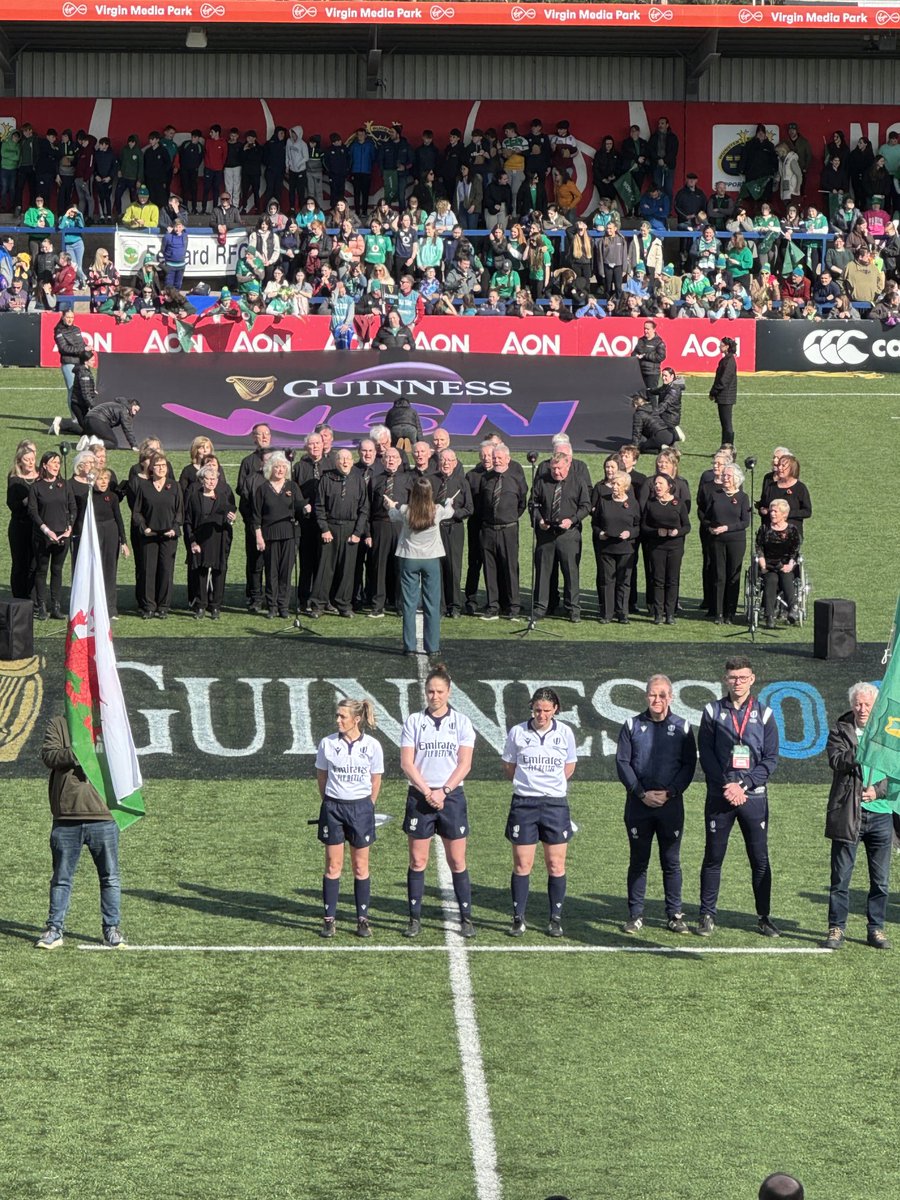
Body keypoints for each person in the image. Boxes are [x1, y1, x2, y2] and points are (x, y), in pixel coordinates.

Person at [697, 656, 780, 938]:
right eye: (733, 677)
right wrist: (727, 785)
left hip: (753, 796)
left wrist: (742, 785)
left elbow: (770, 760)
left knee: (759, 858)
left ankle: (764, 917)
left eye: (743, 677)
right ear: (725, 679)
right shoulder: (711, 711)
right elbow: (705, 755)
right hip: (721, 795)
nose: (738, 682)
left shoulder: (765, 714)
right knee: (713, 857)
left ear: (752, 679)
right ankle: (707, 914)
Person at [35, 715, 126, 950]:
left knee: (110, 877)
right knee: (61, 878)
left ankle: (111, 929)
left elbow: (123, 757)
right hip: (66, 817)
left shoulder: (109, 719)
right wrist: (78, 752)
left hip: (104, 816)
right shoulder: (59, 723)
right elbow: (49, 756)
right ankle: (54, 929)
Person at [615, 675, 697, 935]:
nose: (657, 699)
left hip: (670, 806)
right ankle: (636, 915)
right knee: (638, 861)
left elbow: (689, 766)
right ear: (645, 696)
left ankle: (674, 915)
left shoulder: (683, 727)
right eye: (652, 694)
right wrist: (641, 793)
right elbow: (622, 763)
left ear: (671, 697)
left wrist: (670, 792)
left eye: (662, 695)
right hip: (638, 805)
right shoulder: (631, 725)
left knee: (671, 861)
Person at [400, 663, 476, 939]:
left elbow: (465, 763)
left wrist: (443, 791)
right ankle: (414, 918)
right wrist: (427, 791)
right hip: (420, 796)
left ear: (449, 691)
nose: (435, 696)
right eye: (430, 691)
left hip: (451, 796)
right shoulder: (413, 721)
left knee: (457, 860)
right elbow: (407, 763)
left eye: (439, 691)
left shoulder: (462, 723)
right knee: (418, 860)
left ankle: (466, 917)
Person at [822, 682, 895, 951]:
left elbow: (896, 773)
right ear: (851, 704)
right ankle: (836, 927)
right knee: (841, 878)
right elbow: (837, 761)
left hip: (881, 816)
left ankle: (876, 929)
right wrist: (861, 751)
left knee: (881, 880)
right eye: (858, 704)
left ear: (875, 706)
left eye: (867, 705)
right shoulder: (840, 730)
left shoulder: (889, 732)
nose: (862, 709)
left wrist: (878, 791)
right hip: (849, 814)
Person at [501, 687, 578, 938]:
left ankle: (555, 918)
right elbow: (509, 766)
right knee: (523, 863)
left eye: (546, 710)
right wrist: (530, 786)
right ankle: (518, 918)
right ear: (531, 708)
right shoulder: (517, 732)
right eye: (537, 710)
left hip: (555, 804)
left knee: (555, 864)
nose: (541, 715)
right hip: (524, 804)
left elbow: (569, 765)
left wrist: (551, 785)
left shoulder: (565, 733)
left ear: (555, 709)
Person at [315, 697, 384, 940]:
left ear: (356, 720)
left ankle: (362, 919)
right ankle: (329, 919)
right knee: (333, 865)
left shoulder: (373, 746)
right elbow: (321, 776)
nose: (337, 720)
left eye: (342, 716)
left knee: (360, 865)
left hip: (360, 809)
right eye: (337, 715)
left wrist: (368, 805)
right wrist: (329, 801)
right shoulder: (327, 744)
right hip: (333, 808)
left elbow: (376, 780)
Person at [385, 476, 457, 656]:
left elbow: (392, 515)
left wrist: (390, 505)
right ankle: (432, 647)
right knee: (432, 604)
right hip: (431, 560)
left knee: (409, 605)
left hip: (409, 559)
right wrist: (449, 503)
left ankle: (409, 647)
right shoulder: (437, 510)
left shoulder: (405, 510)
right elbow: (450, 512)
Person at [528, 451, 590, 624]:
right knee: (543, 572)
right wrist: (539, 520)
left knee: (570, 572)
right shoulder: (541, 481)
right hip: (546, 534)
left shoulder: (578, 481)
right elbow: (532, 504)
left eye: (559, 468)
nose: (556, 472)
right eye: (553, 469)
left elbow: (585, 506)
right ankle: (541, 607)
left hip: (568, 535)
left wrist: (572, 520)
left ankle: (573, 609)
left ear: (568, 465)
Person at [310, 448, 368, 619]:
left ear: (352, 461)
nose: (345, 462)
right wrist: (324, 529)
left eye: (348, 459)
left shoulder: (358, 481)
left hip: (351, 530)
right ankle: (318, 604)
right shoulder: (326, 479)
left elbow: (364, 509)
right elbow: (319, 507)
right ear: (336, 462)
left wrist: (358, 532)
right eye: (341, 459)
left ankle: (344, 604)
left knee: (348, 570)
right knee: (324, 568)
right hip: (331, 528)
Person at [477, 443, 527, 621]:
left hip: (508, 530)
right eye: (494, 458)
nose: (496, 460)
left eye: (500, 458)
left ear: (508, 458)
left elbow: (522, 503)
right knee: (490, 569)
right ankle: (493, 606)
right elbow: (482, 503)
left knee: (510, 568)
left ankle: (514, 607)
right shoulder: (486, 478)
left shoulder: (516, 478)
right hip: (488, 529)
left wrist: (509, 518)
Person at [132, 452, 183, 619]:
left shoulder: (174, 486)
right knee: (148, 570)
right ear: (151, 468)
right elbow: (137, 512)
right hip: (149, 535)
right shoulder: (144, 486)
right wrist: (144, 527)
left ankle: (163, 607)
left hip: (169, 536)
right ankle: (149, 607)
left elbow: (180, 512)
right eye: (158, 465)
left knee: (166, 570)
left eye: (164, 465)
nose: (161, 468)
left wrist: (175, 528)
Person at [251, 451, 300, 620]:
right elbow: (256, 516)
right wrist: (259, 536)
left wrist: (306, 508)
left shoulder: (292, 487)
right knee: (271, 572)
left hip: (289, 534)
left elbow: (300, 506)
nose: (280, 470)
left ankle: (283, 606)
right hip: (270, 535)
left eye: (283, 467)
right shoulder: (262, 489)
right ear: (270, 468)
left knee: (286, 572)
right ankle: (271, 606)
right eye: (277, 467)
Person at [28, 450, 75, 621]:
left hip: (63, 535)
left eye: (58, 463)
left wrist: (69, 527)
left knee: (57, 570)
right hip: (43, 537)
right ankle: (41, 606)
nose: (56, 466)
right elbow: (33, 511)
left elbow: (72, 507)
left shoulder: (64, 485)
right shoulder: (36, 487)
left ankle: (56, 606)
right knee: (41, 571)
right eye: (53, 463)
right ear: (45, 465)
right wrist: (46, 530)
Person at [185, 462, 236, 620]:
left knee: (218, 573)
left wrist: (232, 519)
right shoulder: (194, 498)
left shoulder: (223, 497)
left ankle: (215, 607)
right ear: (202, 480)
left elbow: (229, 517)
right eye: (208, 479)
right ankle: (200, 605)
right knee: (200, 573)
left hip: (218, 540)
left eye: (214, 478)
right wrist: (192, 542)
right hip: (200, 540)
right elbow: (188, 522)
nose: (212, 481)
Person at [702, 463, 750, 625]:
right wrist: (711, 527)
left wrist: (727, 528)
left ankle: (730, 612)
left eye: (728, 476)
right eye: (724, 476)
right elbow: (706, 516)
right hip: (717, 540)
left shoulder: (743, 497)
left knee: (732, 576)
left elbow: (745, 522)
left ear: (736, 479)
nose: (725, 478)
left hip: (736, 540)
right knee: (719, 575)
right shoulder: (715, 495)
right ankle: (718, 612)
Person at [641, 473, 690, 626]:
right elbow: (644, 526)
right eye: (655, 484)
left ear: (669, 486)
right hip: (657, 547)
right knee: (658, 580)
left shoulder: (678, 503)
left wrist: (677, 532)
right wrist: (656, 532)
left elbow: (687, 526)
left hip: (675, 546)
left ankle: (670, 614)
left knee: (672, 580)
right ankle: (658, 613)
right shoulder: (651, 503)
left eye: (660, 483)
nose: (657, 486)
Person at [592, 471, 639, 624]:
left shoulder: (633, 503)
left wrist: (629, 533)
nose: (614, 487)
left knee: (624, 582)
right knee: (607, 581)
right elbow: (595, 523)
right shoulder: (603, 501)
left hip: (626, 548)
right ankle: (607, 614)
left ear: (626, 486)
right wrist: (600, 533)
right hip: (607, 547)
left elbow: (638, 526)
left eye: (618, 484)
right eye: (613, 484)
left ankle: (622, 613)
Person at [236, 423, 272, 613]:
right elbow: (242, 491)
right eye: (260, 434)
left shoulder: (278, 460)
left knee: (272, 563)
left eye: (267, 433)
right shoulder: (248, 462)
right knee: (255, 562)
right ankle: (254, 597)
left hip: (274, 524)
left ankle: (272, 597)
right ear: (254, 437)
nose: (264, 437)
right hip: (253, 522)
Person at [754, 499, 801, 629]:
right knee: (771, 580)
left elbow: (795, 550)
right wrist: (763, 564)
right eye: (771, 511)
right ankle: (769, 616)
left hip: (786, 564)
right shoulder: (764, 529)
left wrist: (790, 565)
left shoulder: (792, 530)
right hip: (768, 565)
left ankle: (793, 609)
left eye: (776, 511)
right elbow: (759, 548)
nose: (772, 514)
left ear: (784, 514)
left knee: (786, 578)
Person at [91, 468, 128, 619]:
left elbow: (119, 519)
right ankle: (93, 607)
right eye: (100, 479)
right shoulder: (89, 497)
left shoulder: (112, 497)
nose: (104, 482)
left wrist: (123, 542)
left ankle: (110, 609)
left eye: (106, 479)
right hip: (95, 532)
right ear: (93, 481)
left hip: (111, 532)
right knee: (94, 570)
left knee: (110, 571)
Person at [7, 440, 39, 601]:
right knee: (20, 563)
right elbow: (12, 504)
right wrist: (29, 499)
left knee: (35, 564)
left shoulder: (41, 474)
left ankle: (33, 598)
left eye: (33, 458)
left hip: (38, 526)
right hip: (20, 526)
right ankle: (18, 598)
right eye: (27, 459)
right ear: (19, 460)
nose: (31, 463)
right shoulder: (15, 479)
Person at [709, 336, 738, 447]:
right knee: (725, 424)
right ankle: (725, 447)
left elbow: (723, 380)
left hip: (726, 396)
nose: (719, 347)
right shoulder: (727, 360)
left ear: (727, 347)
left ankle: (728, 447)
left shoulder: (729, 361)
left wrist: (713, 392)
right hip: (724, 396)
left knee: (727, 424)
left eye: (721, 345)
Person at [630, 319, 667, 394]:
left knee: (652, 395)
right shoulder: (641, 340)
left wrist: (645, 356)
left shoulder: (659, 342)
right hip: (640, 372)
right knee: (640, 394)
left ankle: (654, 406)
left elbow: (661, 357)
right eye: (644, 328)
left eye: (648, 329)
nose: (645, 331)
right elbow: (634, 352)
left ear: (653, 329)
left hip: (652, 373)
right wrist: (635, 355)